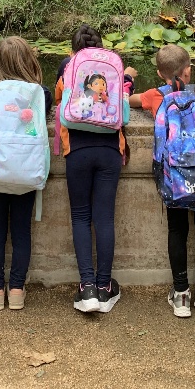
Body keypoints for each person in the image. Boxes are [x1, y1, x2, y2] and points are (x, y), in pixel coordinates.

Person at [129, 43, 195, 317]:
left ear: (159, 73)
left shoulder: (155, 95)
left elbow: (129, 101)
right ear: (189, 70)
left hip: (174, 176)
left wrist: (127, 80)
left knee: (176, 229)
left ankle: (180, 294)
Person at [55, 24, 136, 315]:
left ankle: (86, 287)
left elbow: (60, 99)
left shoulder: (68, 64)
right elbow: (123, 102)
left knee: (80, 216)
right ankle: (104, 287)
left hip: (77, 149)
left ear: (73, 49)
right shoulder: (112, 64)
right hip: (110, 149)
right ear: (100, 46)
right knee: (104, 218)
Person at [0, 36, 52, 311]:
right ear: (29, 61)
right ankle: (18, 290)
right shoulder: (40, 93)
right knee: (22, 230)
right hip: (25, 168)